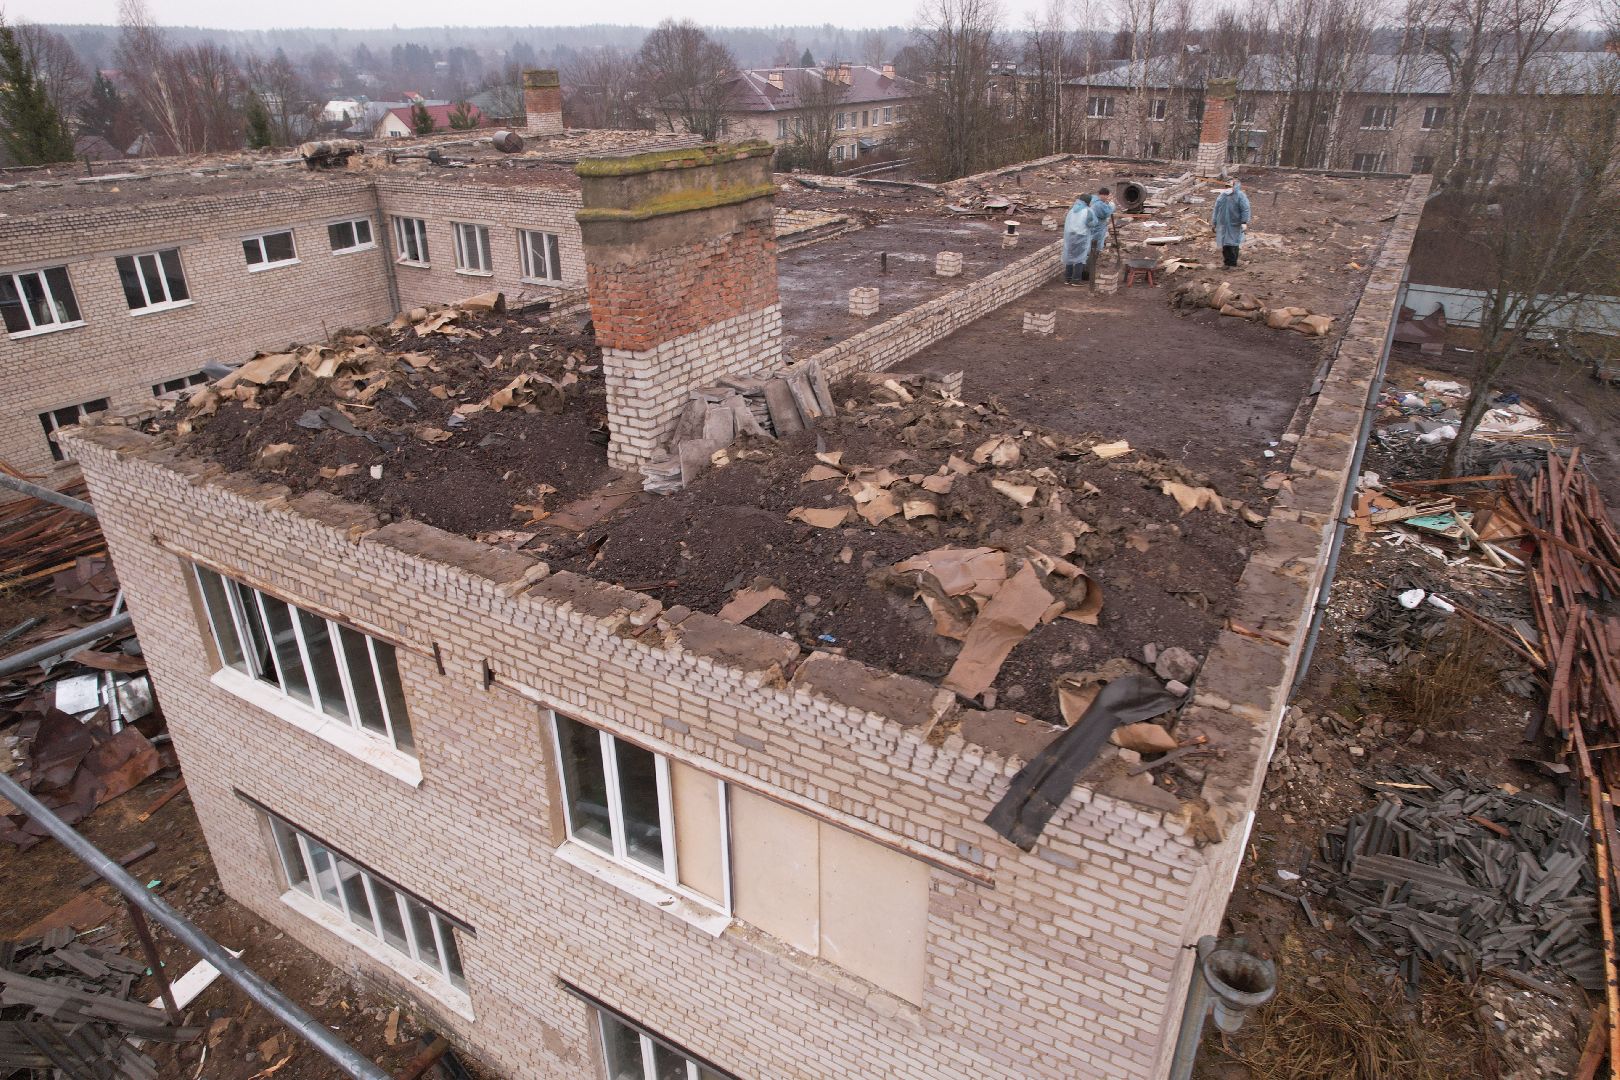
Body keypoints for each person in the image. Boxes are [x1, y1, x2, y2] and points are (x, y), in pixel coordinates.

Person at [1212, 179, 1252, 268]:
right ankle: (1227, 263)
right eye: (1226, 187)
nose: (1228, 189)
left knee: (1233, 244)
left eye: (1230, 186)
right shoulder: (1222, 196)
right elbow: (1216, 209)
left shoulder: (1240, 196)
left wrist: (1244, 222)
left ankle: (1233, 263)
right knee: (1225, 244)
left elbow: (1245, 209)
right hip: (1223, 224)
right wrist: (1214, 222)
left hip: (1235, 224)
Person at [1062, 194, 1094, 284]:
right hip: (1081, 236)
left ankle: (1067, 278)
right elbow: (1092, 223)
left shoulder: (1072, 210)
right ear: (1088, 202)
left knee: (1070, 256)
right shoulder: (1087, 211)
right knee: (1080, 258)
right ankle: (1076, 280)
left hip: (1070, 235)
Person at [1086, 187, 1117, 276]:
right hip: (1097, 229)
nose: (1107, 198)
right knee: (1094, 249)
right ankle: (1088, 271)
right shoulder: (1099, 205)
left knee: (1091, 248)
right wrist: (1111, 205)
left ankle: (1088, 269)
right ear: (1103, 195)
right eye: (1106, 196)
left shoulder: (1094, 201)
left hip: (1093, 228)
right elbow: (1107, 212)